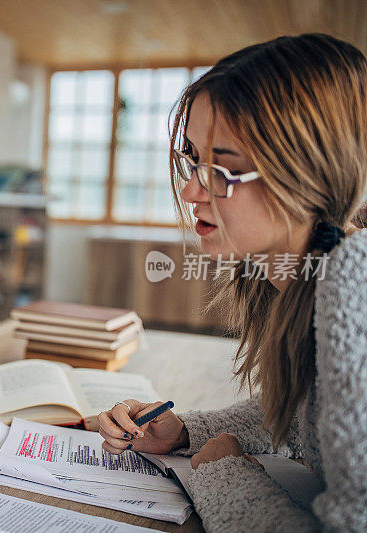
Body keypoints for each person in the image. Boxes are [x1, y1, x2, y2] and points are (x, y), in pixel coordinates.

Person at [97, 34, 367, 531]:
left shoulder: (357, 287)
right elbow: (307, 416)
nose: (191, 188)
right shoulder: (293, 277)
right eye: (193, 158)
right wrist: (186, 434)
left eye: (222, 168)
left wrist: (222, 472)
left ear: (304, 173)